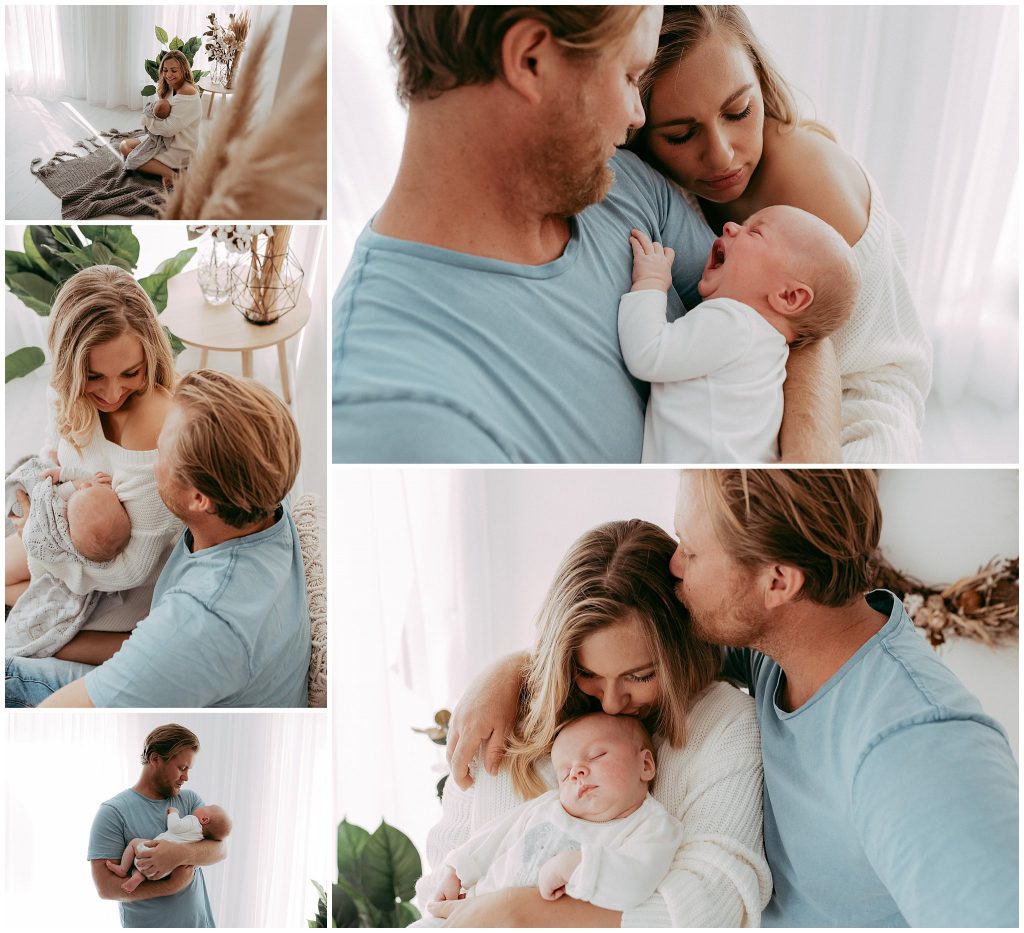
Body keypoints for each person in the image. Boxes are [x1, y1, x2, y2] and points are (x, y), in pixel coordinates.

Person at [448, 470, 1019, 927]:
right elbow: (641, 656)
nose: (674, 566)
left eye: (692, 552)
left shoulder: (917, 750)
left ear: (777, 582)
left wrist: (522, 912)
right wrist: (514, 671)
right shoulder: (777, 648)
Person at [333, 6, 839, 464]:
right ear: (530, 60)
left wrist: (812, 470)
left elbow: (790, 316)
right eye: (629, 76)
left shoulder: (624, 183)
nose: (637, 116)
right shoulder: (394, 413)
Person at [418, 519, 772, 927]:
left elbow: (715, 907)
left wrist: (521, 912)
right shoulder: (503, 714)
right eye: (588, 673)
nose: (612, 702)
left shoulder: (723, 726)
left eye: (640, 676)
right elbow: (440, 882)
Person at [627, 6, 933, 462]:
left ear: (761, 82)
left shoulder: (805, 182)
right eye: (680, 135)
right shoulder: (654, 182)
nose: (723, 155)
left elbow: (811, 347)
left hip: (854, 389)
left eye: (739, 111)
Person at [5, 369, 311, 708]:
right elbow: (150, 648)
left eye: (161, 453)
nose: (151, 464)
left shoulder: (201, 620)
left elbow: (54, 713)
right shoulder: (258, 490)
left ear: (199, 499)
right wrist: (52, 639)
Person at [4, 264, 183, 660]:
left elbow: (132, 569)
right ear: (70, 366)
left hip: (117, 580)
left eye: (130, 373)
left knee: (22, 621)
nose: (113, 392)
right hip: (65, 539)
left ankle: (101, 640)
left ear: (149, 356)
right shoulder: (68, 389)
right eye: (94, 376)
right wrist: (47, 476)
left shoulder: (152, 422)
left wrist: (39, 548)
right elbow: (55, 442)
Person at [621, 207, 860, 462]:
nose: (730, 226)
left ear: (788, 297)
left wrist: (651, 281)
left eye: (755, 232)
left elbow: (648, 354)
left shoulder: (734, 321)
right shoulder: (768, 349)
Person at [423, 713, 683, 924]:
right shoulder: (550, 806)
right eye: (565, 772)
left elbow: (637, 880)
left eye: (596, 756)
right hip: (474, 907)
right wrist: (456, 871)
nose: (577, 772)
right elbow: (494, 836)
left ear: (645, 765)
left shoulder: (651, 825)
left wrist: (575, 865)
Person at [87, 724, 227, 928]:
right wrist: (170, 886)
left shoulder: (189, 801)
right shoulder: (113, 812)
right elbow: (106, 888)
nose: (186, 777)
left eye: (188, 769)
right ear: (155, 759)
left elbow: (221, 848)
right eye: (182, 768)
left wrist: (178, 854)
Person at [108, 804, 232, 895]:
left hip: (149, 851)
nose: (202, 805)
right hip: (163, 873)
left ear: (205, 819)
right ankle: (138, 877)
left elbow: (174, 826)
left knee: (134, 843)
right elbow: (201, 859)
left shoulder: (193, 821)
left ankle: (123, 869)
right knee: (142, 870)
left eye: (207, 806)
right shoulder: (201, 839)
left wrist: (173, 812)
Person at [120, 50, 202, 186]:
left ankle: (174, 176)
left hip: (179, 147)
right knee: (124, 145)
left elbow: (168, 129)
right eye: (165, 70)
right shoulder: (171, 86)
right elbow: (161, 117)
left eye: (174, 70)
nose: (169, 75)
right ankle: (167, 171)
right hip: (164, 140)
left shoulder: (187, 92)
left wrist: (147, 119)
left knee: (132, 157)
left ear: (184, 70)